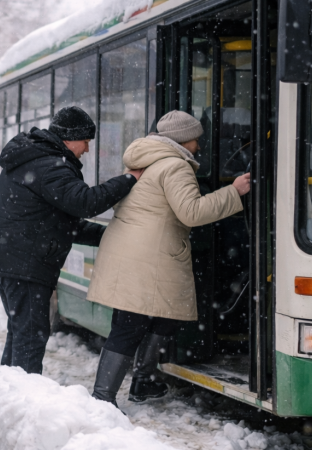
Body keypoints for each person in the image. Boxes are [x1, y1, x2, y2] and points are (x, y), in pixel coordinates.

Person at [86, 110, 252, 407]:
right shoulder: (175, 166)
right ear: (183, 139)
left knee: (166, 315)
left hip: (134, 251)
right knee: (130, 325)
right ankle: (103, 398)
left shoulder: (146, 160)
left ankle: (143, 380)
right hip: (147, 256)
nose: (198, 146)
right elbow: (192, 212)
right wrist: (234, 192)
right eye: (196, 139)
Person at [0, 106, 143, 375]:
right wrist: (129, 179)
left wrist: (110, 235)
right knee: (30, 335)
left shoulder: (38, 158)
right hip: (23, 264)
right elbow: (86, 202)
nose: (87, 148)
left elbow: (62, 224)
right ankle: (22, 393)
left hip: (8, 258)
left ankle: (9, 386)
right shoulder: (51, 165)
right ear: (70, 138)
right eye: (85, 141)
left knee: (21, 331)